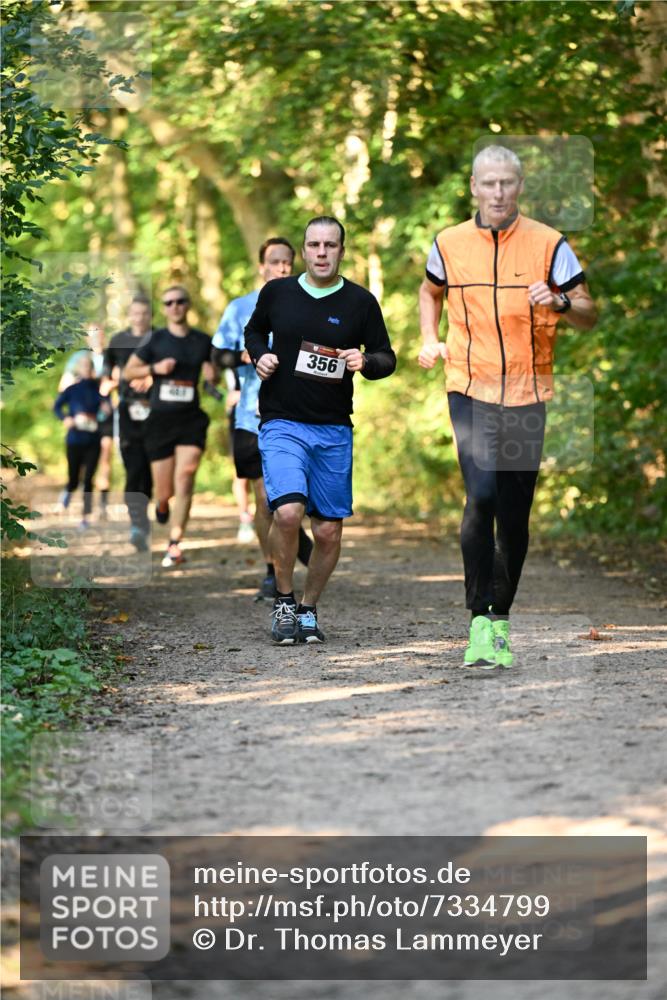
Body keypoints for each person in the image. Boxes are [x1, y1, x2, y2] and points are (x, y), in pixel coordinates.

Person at [418, 145, 597, 669]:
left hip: (526, 393)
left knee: (514, 514)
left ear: (519, 187)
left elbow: (589, 312)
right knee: (482, 495)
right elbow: (430, 292)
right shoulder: (448, 243)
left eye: (507, 184)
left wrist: (561, 302)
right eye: (488, 184)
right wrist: (430, 337)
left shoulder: (549, 244)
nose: (498, 193)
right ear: (473, 187)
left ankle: (500, 621)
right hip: (469, 387)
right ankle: (478, 618)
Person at [245, 216, 396, 644]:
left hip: (332, 429)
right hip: (282, 421)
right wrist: (261, 354)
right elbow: (254, 330)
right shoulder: (278, 292)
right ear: (304, 251)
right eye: (314, 245)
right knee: (288, 512)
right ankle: (284, 600)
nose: (322, 253)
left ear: (342, 251)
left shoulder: (360, 302)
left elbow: (387, 356)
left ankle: (309, 608)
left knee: (328, 531)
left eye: (331, 245)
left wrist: (365, 362)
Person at [211, 237, 313, 601]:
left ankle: (300, 553)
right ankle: (272, 570)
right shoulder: (240, 308)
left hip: (298, 413)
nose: (282, 268)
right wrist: (240, 357)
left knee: (290, 498)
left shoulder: (306, 303)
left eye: (287, 262)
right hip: (250, 416)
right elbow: (216, 355)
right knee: (263, 498)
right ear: (261, 266)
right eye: (275, 262)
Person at [123, 286, 215, 568]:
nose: (175, 306)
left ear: (188, 305)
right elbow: (129, 371)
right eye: (169, 302)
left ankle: (175, 543)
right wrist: (155, 369)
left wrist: (214, 379)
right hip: (160, 420)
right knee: (164, 491)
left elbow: (214, 372)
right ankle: (162, 506)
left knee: (185, 477)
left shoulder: (203, 340)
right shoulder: (155, 340)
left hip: (190, 419)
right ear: (163, 308)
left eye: (180, 301)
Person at [103, 296, 154, 552]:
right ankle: (137, 524)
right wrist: (108, 383)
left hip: (156, 412)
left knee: (150, 473)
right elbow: (107, 367)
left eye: (145, 313)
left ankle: (145, 516)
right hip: (126, 411)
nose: (140, 318)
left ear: (150, 316)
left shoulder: (160, 338)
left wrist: (152, 377)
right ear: (129, 315)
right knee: (133, 469)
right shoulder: (118, 341)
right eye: (135, 313)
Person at [60, 323, 114, 518]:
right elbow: (63, 386)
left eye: (99, 333)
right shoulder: (78, 358)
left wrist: (109, 386)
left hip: (106, 414)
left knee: (105, 455)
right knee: (82, 462)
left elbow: (120, 379)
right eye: (92, 334)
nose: (96, 337)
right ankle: (74, 488)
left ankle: (103, 505)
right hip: (83, 416)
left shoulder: (111, 356)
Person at [54, 355, 111, 529]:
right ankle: (66, 496)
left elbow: (108, 411)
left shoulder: (99, 389)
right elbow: (57, 407)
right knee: (73, 479)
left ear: (93, 369)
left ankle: (85, 517)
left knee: (88, 480)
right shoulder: (71, 389)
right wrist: (66, 419)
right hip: (74, 440)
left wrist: (104, 412)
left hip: (93, 440)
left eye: (89, 366)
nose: (86, 369)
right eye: (83, 366)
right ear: (78, 369)